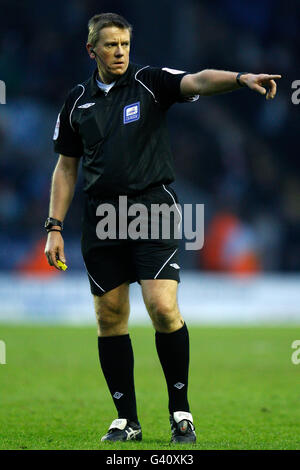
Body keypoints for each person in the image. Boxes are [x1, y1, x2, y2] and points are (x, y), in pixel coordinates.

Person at [44, 12, 281, 443]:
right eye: (111, 45)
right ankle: (126, 420)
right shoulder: (77, 101)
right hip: (101, 218)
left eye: (125, 45)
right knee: (110, 315)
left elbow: (198, 80)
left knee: (162, 307)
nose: (120, 53)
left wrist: (241, 77)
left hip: (152, 210)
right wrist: (53, 226)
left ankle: (180, 412)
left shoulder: (150, 81)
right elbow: (66, 167)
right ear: (91, 49)